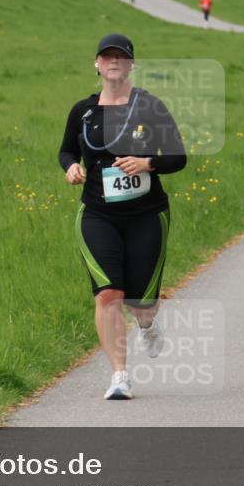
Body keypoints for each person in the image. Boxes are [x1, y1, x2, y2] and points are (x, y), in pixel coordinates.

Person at [58, 33, 187, 400]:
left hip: (146, 214)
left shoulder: (150, 107)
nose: (113, 61)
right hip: (97, 214)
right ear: (96, 64)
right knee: (108, 295)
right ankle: (119, 376)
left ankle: (146, 325)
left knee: (139, 303)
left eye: (121, 56)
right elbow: (66, 150)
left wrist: (148, 162)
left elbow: (178, 157)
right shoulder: (82, 111)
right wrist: (70, 168)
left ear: (131, 64)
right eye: (106, 56)